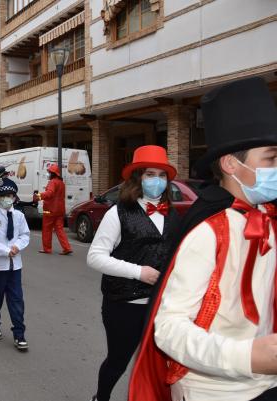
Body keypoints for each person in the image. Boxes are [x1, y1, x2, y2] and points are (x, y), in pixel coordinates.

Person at [129, 77, 277, 401]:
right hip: (216, 391)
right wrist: (248, 356)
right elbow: (168, 329)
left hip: (266, 385)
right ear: (230, 164)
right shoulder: (208, 232)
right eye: (271, 158)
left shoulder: (268, 219)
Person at [86, 145, 179, 401]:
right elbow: (95, 257)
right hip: (124, 304)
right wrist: (138, 272)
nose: (157, 181)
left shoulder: (172, 213)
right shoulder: (118, 212)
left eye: (162, 175)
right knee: (118, 361)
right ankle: (100, 397)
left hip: (162, 305)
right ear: (138, 178)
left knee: (159, 365)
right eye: (150, 174)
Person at [0, 178, 31, 351]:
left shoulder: (19, 216)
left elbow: (25, 235)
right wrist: (5, 251)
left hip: (14, 267)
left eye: (11, 195)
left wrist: (17, 247)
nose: (8, 198)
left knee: (17, 301)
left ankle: (19, 334)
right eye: (4, 196)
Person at [33, 164, 72, 255]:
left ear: (53, 173)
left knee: (47, 229)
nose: (48, 174)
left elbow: (49, 193)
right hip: (60, 210)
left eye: (49, 172)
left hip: (50, 210)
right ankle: (67, 248)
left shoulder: (52, 182)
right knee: (59, 229)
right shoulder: (61, 183)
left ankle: (47, 249)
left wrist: (38, 196)